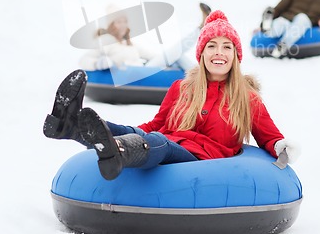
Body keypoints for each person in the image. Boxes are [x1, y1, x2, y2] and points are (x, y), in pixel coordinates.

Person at [43, 11, 300, 181]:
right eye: (211, 46)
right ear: (201, 54)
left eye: (226, 47)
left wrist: (281, 146)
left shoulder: (247, 98)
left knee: (158, 141)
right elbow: (156, 125)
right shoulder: (181, 88)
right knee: (146, 134)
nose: (218, 53)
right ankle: (70, 125)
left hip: (203, 159)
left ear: (235, 55)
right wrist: (126, 130)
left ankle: (118, 151)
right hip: (166, 140)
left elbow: (269, 135)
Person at [79, 2, 211, 71]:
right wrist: (98, 64)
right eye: (119, 22)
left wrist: (169, 62)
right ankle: (200, 29)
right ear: (111, 25)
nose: (123, 25)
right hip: (135, 75)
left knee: (177, 56)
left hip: (143, 71)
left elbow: (153, 56)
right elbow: (84, 60)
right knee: (175, 53)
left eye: (125, 21)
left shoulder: (129, 43)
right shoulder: (106, 41)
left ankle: (202, 74)